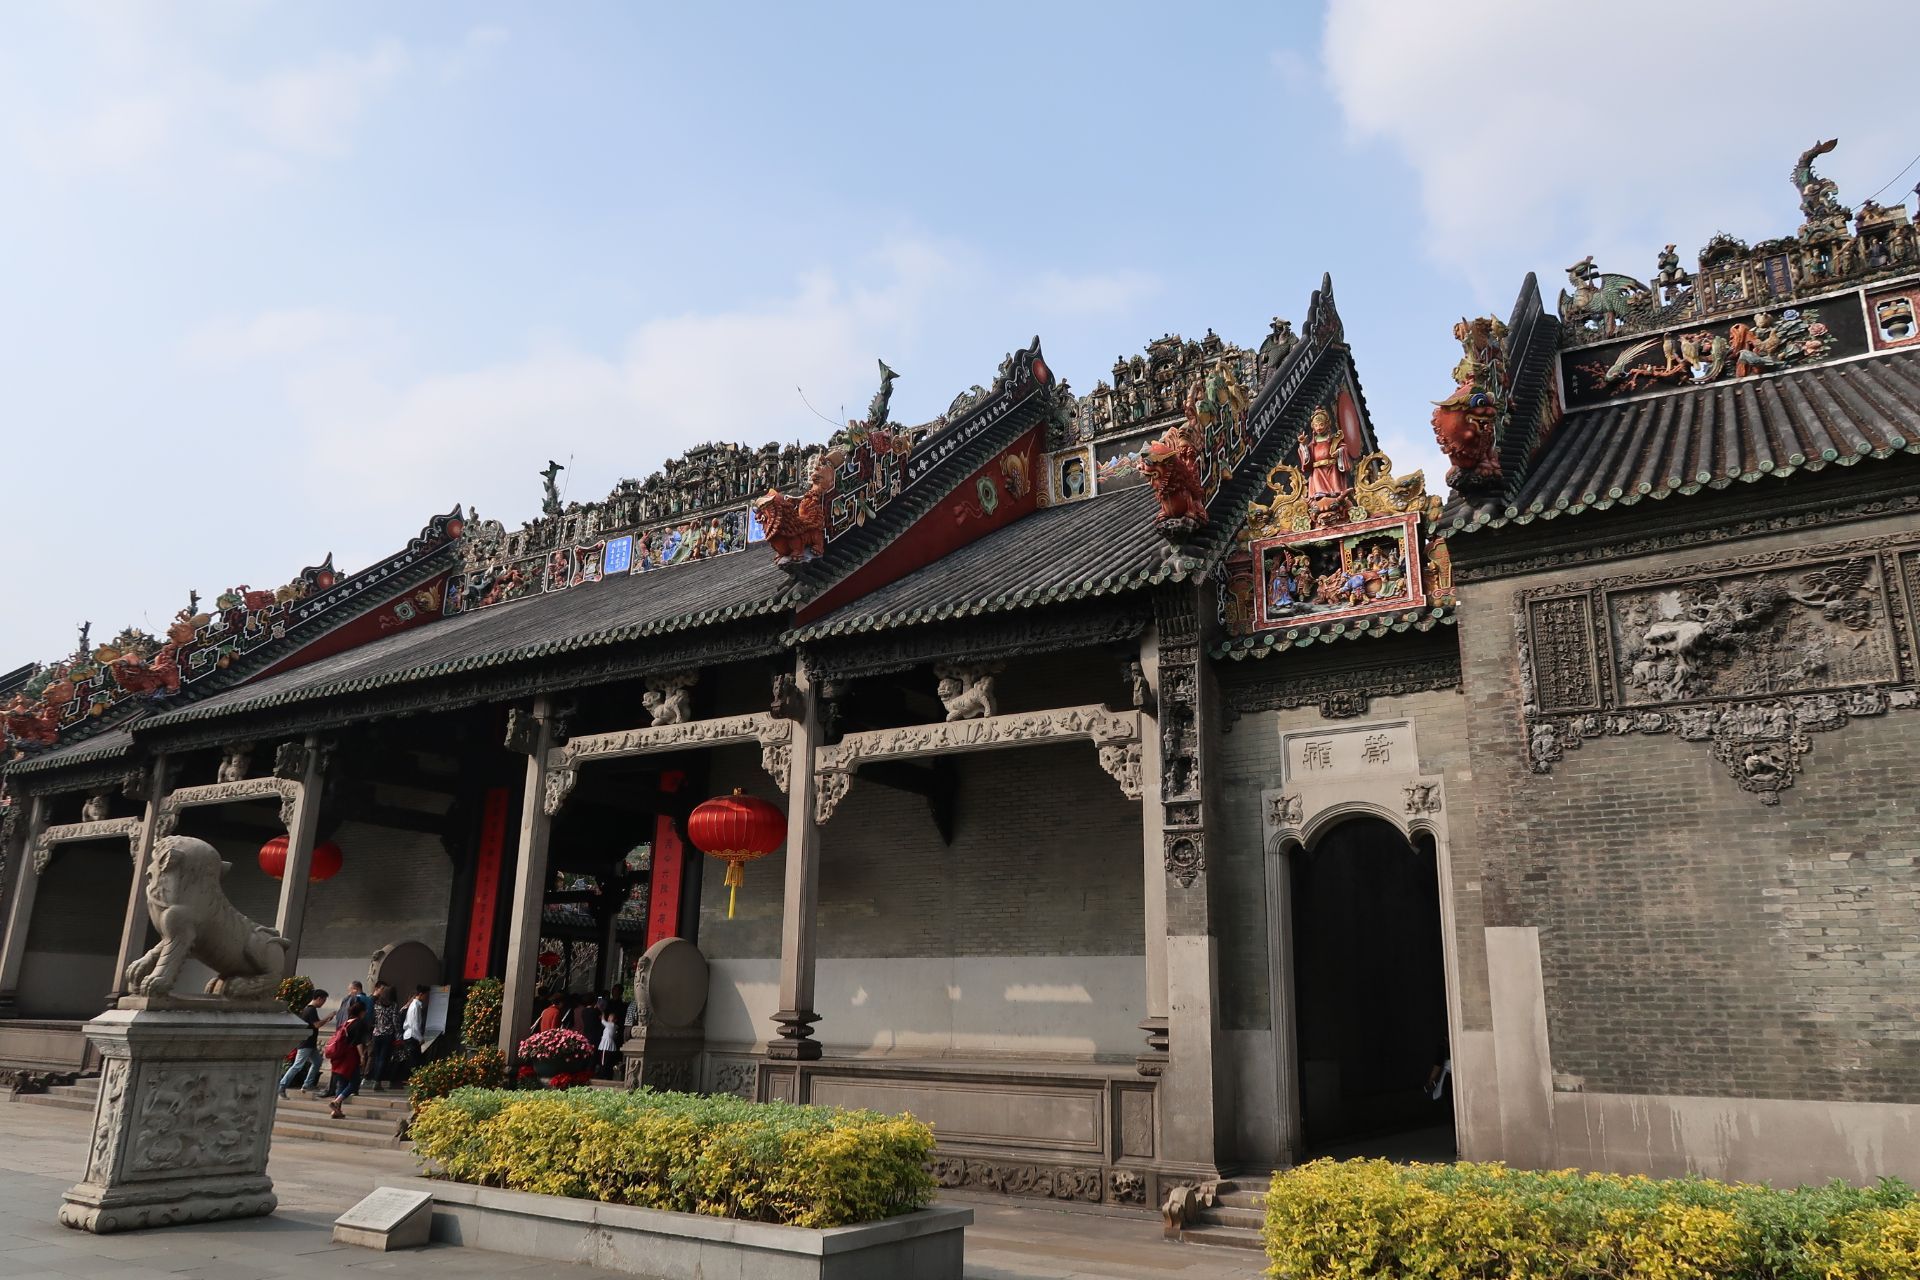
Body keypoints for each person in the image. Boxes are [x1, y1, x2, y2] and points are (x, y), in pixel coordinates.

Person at [278, 989, 331, 1098]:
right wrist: (327, 1018)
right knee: (297, 1066)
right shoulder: (311, 1010)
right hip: (306, 1043)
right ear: (319, 998)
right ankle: (282, 1086)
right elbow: (316, 1025)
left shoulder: (308, 1009)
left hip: (310, 1043)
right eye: (323, 1000)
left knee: (317, 1061)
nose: (323, 1003)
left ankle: (307, 1084)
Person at [325, 1003, 366, 1120]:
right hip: (351, 1056)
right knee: (355, 1082)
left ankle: (336, 1111)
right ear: (361, 1012)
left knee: (342, 1083)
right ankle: (337, 1101)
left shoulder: (346, 1023)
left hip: (340, 1056)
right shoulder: (358, 1023)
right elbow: (358, 1042)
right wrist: (362, 1056)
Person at [367, 982, 399, 1090]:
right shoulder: (393, 1005)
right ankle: (377, 1081)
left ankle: (373, 1079)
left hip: (376, 1033)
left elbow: (373, 1018)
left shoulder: (377, 1003)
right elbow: (395, 1020)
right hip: (388, 1034)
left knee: (376, 1057)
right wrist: (398, 1032)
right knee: (383, 1058)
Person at [400, 984, 429, 1079]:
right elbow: (414, 1024)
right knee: (414, 1060)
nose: (426, 997)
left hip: (412, 1035)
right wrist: (420, 1038)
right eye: (425, 995)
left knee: (414, 1059)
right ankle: (411, 1079)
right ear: (420, 994)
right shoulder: (415, 1006)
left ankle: (411, 1078)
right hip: (412, 1036)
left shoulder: (416, 1005)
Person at [596, 997, 619, 1079]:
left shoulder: (611, 1025)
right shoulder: (614, 1026)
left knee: (603, 1061)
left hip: (606, 1045)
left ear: (615, 1020)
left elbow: (603, 1021)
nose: (609, 1018)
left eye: (611, 1017)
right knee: (607, 1061)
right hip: (609, 1045)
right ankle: (606, 1075)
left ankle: (603, 1075)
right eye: (609, 1017)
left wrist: (602, 1012)